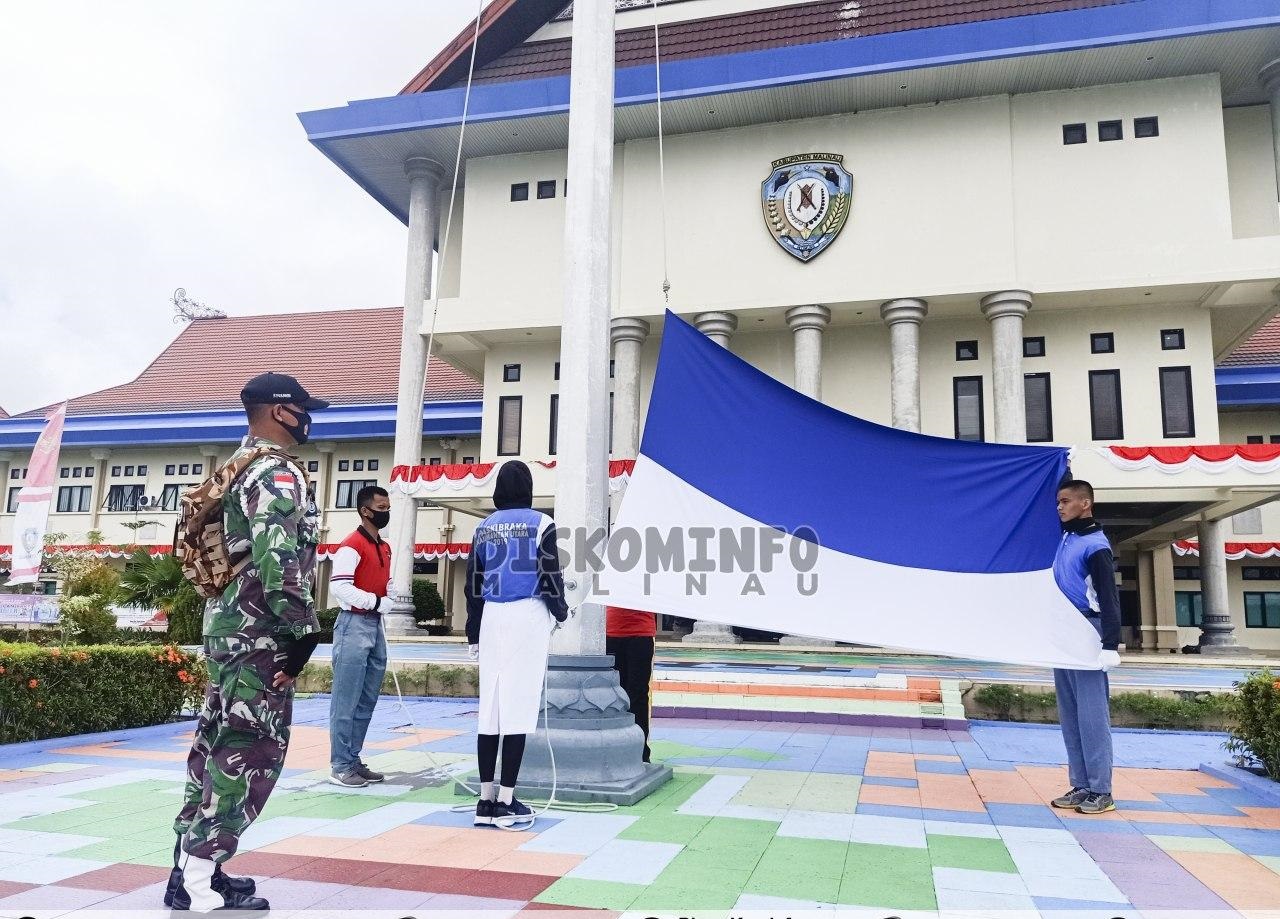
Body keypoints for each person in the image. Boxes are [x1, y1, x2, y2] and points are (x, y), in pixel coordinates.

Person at [168, 372, 327, 912]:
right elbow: (277, 555)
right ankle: (196, 881)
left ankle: (190, 870)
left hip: (228, 625)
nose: (309, 418)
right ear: (281, 412)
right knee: (248, 750)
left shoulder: (236, 467)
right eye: (304, 409)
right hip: (260, 630)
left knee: (215, 745)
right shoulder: (277, 473)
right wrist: (301, 635)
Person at [464, 461, 568, 828]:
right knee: (518, 708)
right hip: (528, 614)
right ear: (527, 486)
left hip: (492, 615)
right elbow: (549, 571)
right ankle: (507, 801)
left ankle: (484, 800)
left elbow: (473, 584)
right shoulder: (541, 523)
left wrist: (473, 630)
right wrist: (561, 609)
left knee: (489, 710)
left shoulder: (483, 527)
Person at [1050, 479, 1122, 816]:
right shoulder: (1068, 537)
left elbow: (1109, 597)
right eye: (1058, 501)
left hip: (1088, 629)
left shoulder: (1096, 545)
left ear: (1085, 504)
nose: (1060, 507)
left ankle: (1101, 790)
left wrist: (1110, 642)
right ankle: (1081, 784)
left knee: (1092, 715)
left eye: (1066, 501)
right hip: (1065, 630)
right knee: (1070, 713)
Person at [327, 484, 393, 787]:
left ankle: (353, 758)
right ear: (365, 511)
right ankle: (340, 765)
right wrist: (374, 601)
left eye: (388, 507)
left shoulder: (385, 546)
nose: (386, 512)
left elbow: (385, 582)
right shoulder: (351, 545)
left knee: (367, 697)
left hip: (375, 624)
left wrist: (387, 599)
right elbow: (339, 587)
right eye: (381, 508)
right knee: (346, 698)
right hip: (353, 623)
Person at [606, 606, 656, 762]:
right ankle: (613, 748)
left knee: (637, 695)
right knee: (612, 696)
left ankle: (640, 752)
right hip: (610, 631)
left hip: (641, 633)